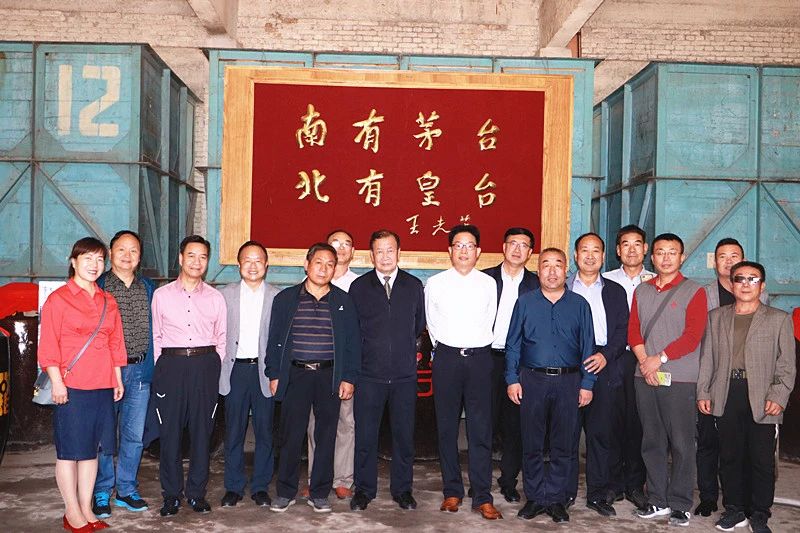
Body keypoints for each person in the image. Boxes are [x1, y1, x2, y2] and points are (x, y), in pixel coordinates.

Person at [697, 261, 795, 533]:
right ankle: (734, 509)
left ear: (762, 286)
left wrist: (779, 395)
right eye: (740, 279)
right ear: (731, 284)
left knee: (761, 459)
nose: (746, 284)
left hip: (763, 395)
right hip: (726, 391)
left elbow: (787, 364)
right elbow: (708, 359)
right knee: (730, 456)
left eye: (753, 279)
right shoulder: (717, 317)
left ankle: (760, 513)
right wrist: (704, 391)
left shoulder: (778, 319)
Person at [38, 237, 126, 532]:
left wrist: (116, 379)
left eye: (100, 259)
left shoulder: (108, 301)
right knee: (70, 452)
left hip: (102, 385)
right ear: (73, 262)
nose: (94, 265)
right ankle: (71, 511)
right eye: (87, 258)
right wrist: (57, 383)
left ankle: (86, 508)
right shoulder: (59, 299)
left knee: (92, 450)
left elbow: (115, 343)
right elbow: (49, 345)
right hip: (71, 385)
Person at [266, 243, 361, 513]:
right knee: (291, 435)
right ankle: (285, 492)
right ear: (306, 265)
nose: (323, 269)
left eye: (330, 264)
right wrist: (274, 373)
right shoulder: (286, 299)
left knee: (326, 436)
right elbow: (274, 340)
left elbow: (353, 343)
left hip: (329, 376)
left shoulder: (343, 301)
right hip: (295, 375)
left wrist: (349, 377)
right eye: (318, 262)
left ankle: (319, 493)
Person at [506, 247, 596, 524]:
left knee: (564, 443)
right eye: (546, 265)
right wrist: (512, 379)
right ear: (538, 270)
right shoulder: (525, 303)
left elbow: (588, 346)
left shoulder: (580, 305)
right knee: (531, 441)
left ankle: (556, 499)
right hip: (532, 379)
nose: (552, 271)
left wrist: (587, 383)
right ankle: (534, 497)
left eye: (558, 265)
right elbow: (513, 344)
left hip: (570, 381)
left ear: (566, 270)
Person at [628, 233, 707, 527]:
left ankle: (681, 504)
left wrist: (658, 359)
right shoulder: (642, 290)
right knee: (652, 440)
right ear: (652, 257)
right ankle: (657, 499)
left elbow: (693, 335)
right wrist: (644, 362)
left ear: (682, 257)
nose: (665, 257)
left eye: (672, 252)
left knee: (682, 443)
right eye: (660, 252)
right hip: (645, 376)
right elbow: (633, 330)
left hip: (680, 379)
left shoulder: (694, 291)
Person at [425, 224, 502, 520]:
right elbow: (431, 323)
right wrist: (447, 349)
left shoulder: (488, 283)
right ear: (450, 250)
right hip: (447, 358)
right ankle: (452, 492)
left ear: (478, 251)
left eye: (470, 245)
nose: (464, 251)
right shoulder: (435, 283)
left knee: (480, 428)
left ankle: (482, 496)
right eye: (458, 245)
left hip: (480, 359)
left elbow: (490, 319)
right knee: (446, 427)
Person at [349, 229, 426, 511]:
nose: (385, 256)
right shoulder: (359, 287)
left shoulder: (413, 285)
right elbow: (353, 331)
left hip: (404, 376)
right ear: (371, 255)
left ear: (398, 253)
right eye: (379, 251)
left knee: (404, 437)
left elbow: (418, 325)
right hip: (369, 376)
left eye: (390, 250)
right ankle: (364, 490)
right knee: (365, 437)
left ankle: (403, 490)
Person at [150, 235, 226, 516]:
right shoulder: (161, 295)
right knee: (169, 433)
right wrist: (162, 369)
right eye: (191, 255)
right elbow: (156, 336)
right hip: (171, 365)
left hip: (205, 365)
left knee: (202, 433)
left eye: (203, 257)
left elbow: (222, 338)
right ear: (181, 258)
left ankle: (196, 494)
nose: (197, 262)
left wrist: (213, 368)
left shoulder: (216, 297)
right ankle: (171, 495)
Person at [695, 237, 769, 517]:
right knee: (707, 442)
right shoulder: (703, 294)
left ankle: (741, 501)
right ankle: (708, 497)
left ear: (743, 258)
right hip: (712, 377)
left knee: (743, 447)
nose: (728, 261)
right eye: (722, 256)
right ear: (715, 262)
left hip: (746, 384)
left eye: (734, 255)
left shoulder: (759, 295)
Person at [92, 231, 155, 519]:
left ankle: (127, 489)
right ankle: (102, 490)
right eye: (121, 250)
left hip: (140, 370)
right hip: (106, 372)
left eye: (133, 250)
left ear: (140, 256)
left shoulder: (149, 288)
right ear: (110, 253)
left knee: (134, 435)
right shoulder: (99, 286)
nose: (127, 256)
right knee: (105, 436)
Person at [565, 233, 629, 517]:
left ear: (604, 257)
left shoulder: (615, 291)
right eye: (584, 250)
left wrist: (606, 356)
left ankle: (598, 494)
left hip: (603, 363)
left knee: (601, 434)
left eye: (595, 251)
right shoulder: (563, 286)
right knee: (566, 434)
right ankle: (563, 493)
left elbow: (622, 330)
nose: (590, 256)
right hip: (568, 366)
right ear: (575, 255)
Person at [219, 241, 280, 508]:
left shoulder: (278, 296)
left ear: (266, 265)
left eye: (258, 261)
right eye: (247, 260)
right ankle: (233, 486)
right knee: (234, 430)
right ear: (239, 264)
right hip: (235, 370)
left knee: (265, 430)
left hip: (264, 371)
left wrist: (278, 373)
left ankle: (260, 487)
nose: (253, 266)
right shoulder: (224, 295)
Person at [481, 227, 539, 503]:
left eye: (523, 245)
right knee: (484, 422)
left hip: (521, 363)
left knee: (515, 424)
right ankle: (480, 482)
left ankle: (508, 481)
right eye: (512, 243)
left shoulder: (536, 284)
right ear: (503, 247)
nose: (517, 249)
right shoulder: (485, 279)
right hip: (487, 359)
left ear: (530, 252)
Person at [602, 224, 653, 509]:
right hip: (613, 357)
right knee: (611, 420)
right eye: (625, 244)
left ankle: (635, 484)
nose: (631, 250)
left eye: (637, 244)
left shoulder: (656, 281)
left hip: (644, 359)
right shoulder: (605, 280)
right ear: (618, 250)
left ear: (645, 249)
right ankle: (612, 483)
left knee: (638, 422)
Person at [306, 229, 359, 499]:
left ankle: (343, 479)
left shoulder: (358, 286)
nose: (340, 248)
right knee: (315, 424)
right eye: (335, 243)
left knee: (345, 422)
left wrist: (351, 373)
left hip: (344, 366)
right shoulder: (309, 282)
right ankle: (316, 477)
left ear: (353, 252)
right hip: (316, 368)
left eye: (346, 244)